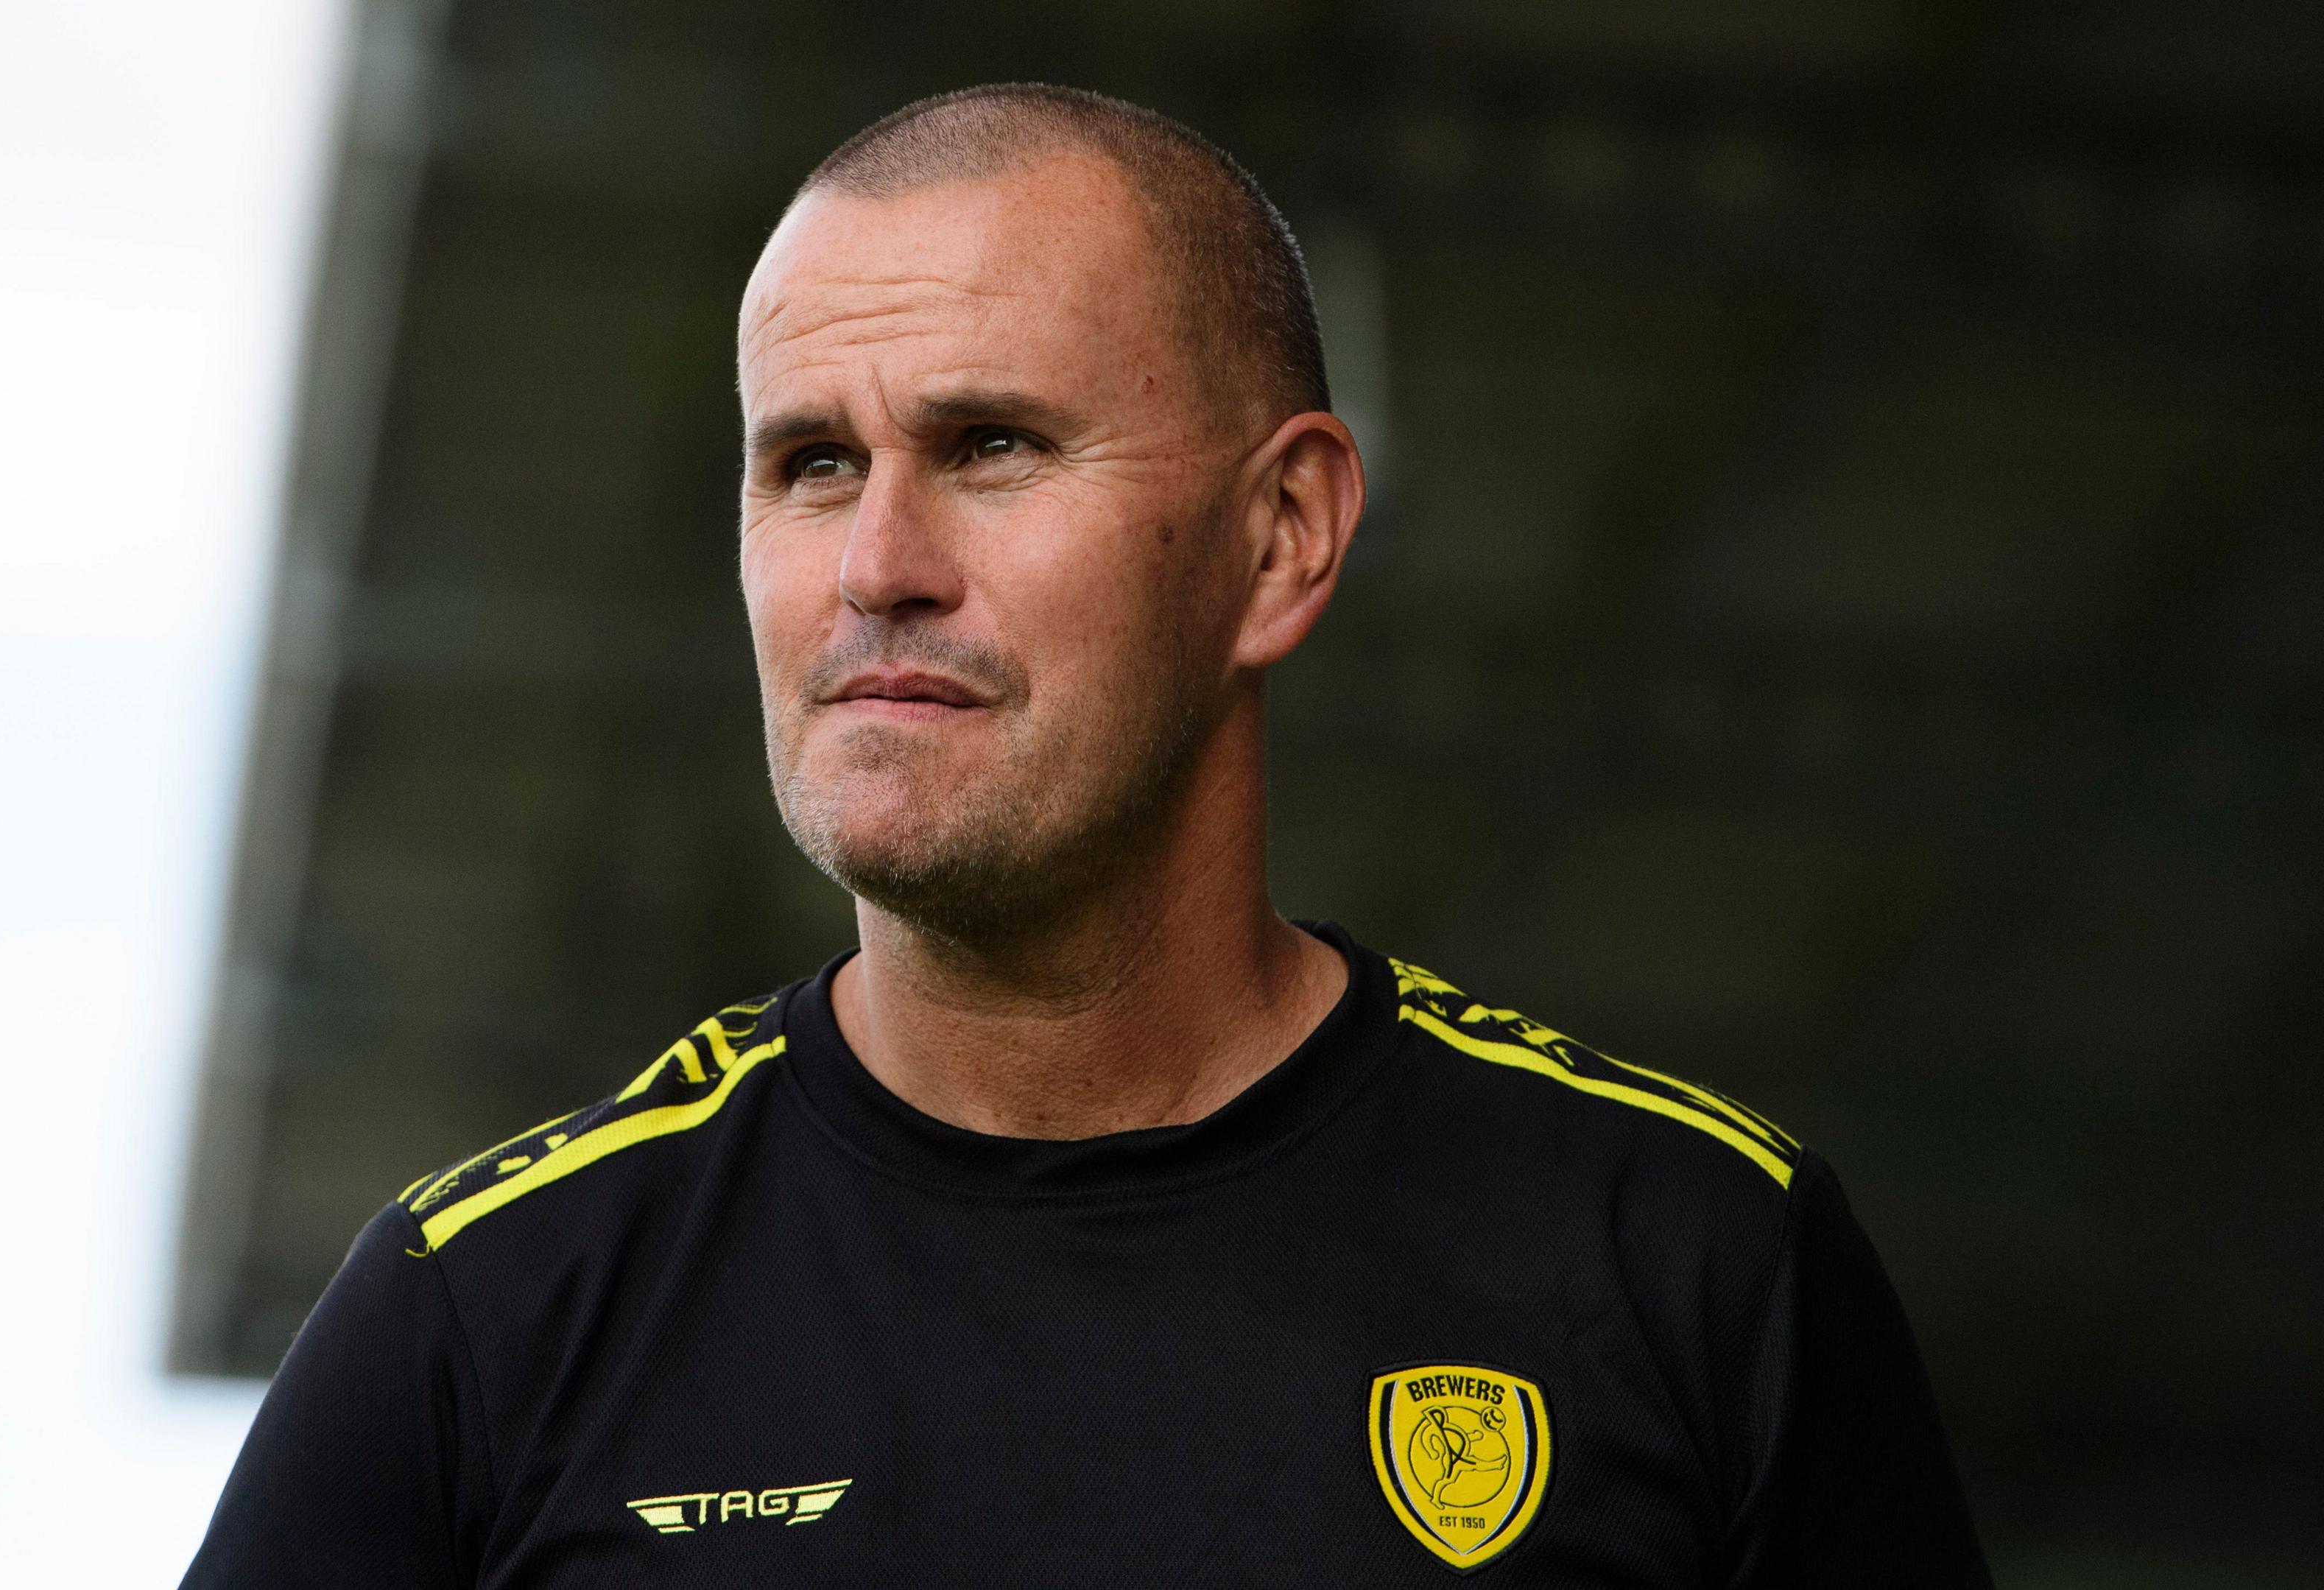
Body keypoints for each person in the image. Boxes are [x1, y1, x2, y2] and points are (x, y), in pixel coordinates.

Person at [182, 83, 1990, 1587]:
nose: (878, 565)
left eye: (991, 446)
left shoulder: (1688, 1257)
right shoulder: (483, 1321)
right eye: (809, 463)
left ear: (1283, 536)